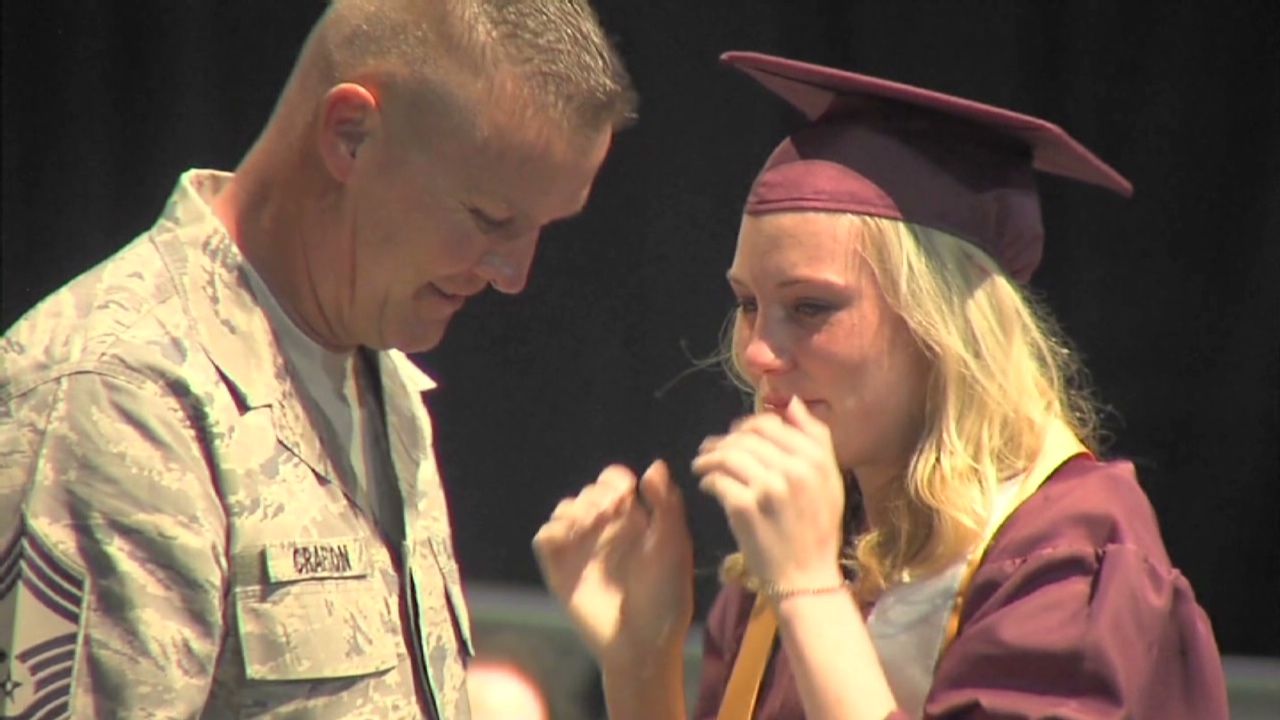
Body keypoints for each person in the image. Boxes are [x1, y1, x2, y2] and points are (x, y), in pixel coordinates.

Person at [532, 52, 1229, 719]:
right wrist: (640, 658)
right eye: (748, 306)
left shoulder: (1070, 555)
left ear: (944, 328)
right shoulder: (812, 534)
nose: (758, 354)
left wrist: (810, 592)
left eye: (810, 307)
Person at [0, 1, 633, 717]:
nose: (513, 274)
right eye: (491, 219)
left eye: (541, 228)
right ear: (351, 136)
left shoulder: (372, 367)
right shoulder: (115, 397)